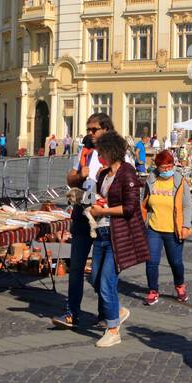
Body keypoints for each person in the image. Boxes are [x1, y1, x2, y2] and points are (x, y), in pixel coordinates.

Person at [83, 132, 147, 348]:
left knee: (106, 282)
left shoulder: (127, 173)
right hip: (100, 233)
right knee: (94, 278)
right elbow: (103, 197)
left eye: (101, 153)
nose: (99, 157)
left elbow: (130, 207)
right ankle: (117, 310)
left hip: (116, 234)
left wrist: (104, 210)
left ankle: (113, 329)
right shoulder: (104, 175)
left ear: (111, 151)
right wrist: (95, 204)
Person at [55, 114, 118, 331]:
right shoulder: (85, 151)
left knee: (100, 272)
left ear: (106, 129)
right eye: (88, 130)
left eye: (94, 130)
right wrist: (80, 176)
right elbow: (70, 178)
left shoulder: (117, 153)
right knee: (76, 267)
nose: (89, 134)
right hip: (82, 213)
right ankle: (72, 313)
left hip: (104, 218)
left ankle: (105, 315)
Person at [141, 150, 192, 305]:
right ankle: (152, 290)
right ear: (157, 166)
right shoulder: (151, 179)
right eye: (163, 167)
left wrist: (186, 225)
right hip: (153, 228)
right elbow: (144, 202)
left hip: (174, 229)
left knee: (176, 262)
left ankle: (180, 285)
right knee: (151, 261)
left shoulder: (179, 181)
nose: (167, 169)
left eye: (169, 166)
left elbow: (187, 205)